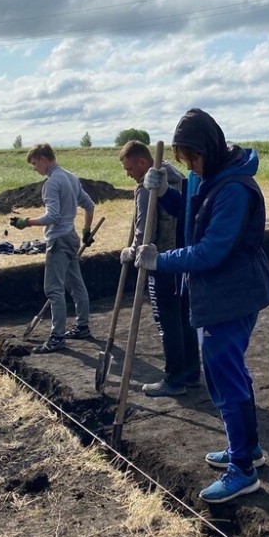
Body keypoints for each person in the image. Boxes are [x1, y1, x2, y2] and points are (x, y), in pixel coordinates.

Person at [135, 108, 269, 503]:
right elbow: (192, 220)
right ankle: (247, 450)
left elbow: (212, 249)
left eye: (192, 159)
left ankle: (242, 471)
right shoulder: (210, 176)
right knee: (230, 374)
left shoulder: (234, 188)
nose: (190, 167)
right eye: (184, 162)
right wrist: (166, 195)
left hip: (232, 294)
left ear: (209, 149)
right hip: (221, 292)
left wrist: (160, 261)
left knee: (224, 380)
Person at [117, 140, 201, 397]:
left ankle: (174, 380)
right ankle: (190, 372)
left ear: (142, 162)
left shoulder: (147, 189)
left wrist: (130, 253)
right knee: (183, 318)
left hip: (160, 263)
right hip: (181, 260)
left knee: (167, 322)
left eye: (129, 168)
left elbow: (145, 233)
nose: (128, 174)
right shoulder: (179, 179)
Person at [10, 143, 96, 353]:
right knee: (75, 284)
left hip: (58, 240)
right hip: (72, 237)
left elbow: (53, 216)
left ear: (43, 159)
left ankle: (57, 337)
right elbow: (90, 205)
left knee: (53, 289)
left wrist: (26, 222)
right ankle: (82, 327)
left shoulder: (51, 183)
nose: (35, 169)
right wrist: (86, 230)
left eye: (34, 164)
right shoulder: (71, 177)